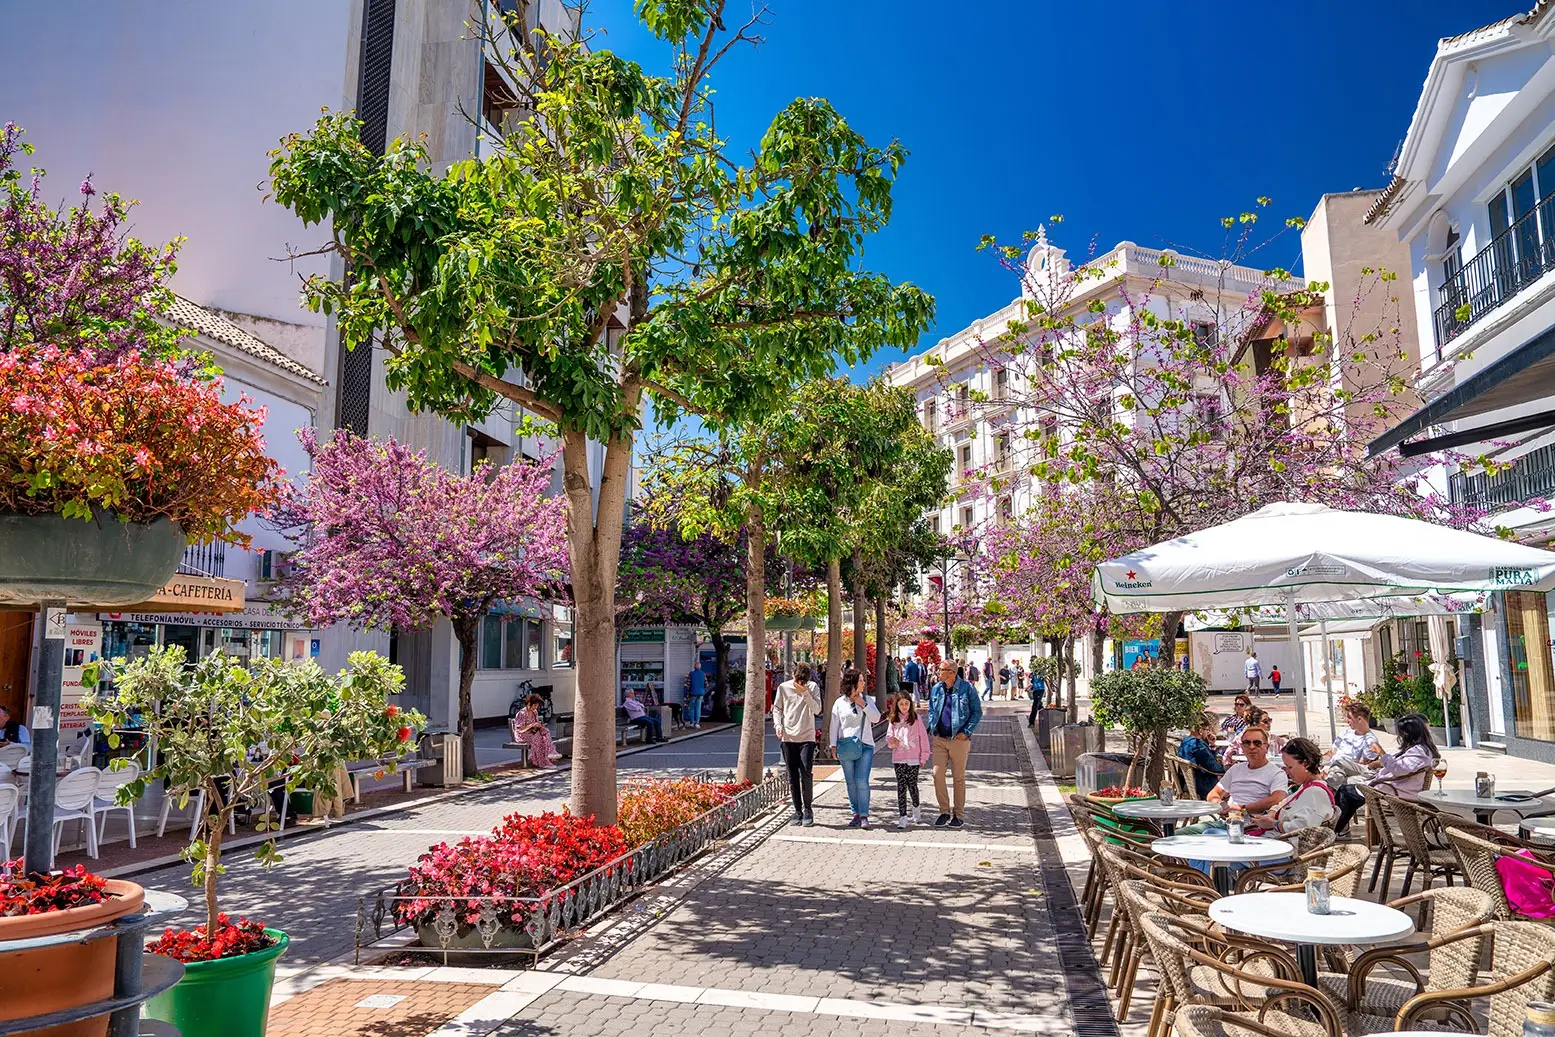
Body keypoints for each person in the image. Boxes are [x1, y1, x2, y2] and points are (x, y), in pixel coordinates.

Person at [1333, 713, 1440, 835]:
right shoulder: (1419, 749)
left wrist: (1380, 752)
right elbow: (1398, 765)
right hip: (1392, 787)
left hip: (1395, 792)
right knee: (1346, 789)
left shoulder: (1419, 751)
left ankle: (1334, 830)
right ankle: (1337, 830)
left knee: (1346, 792)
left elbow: (1399, 768)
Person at [1177, 725, 1288, 835]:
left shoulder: (1276, 773)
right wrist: (1221, 805)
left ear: (1266, 747)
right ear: (1242, 747)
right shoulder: (1236, 769)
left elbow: (1278, 799)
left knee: (1209, 834)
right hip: (1227, 822)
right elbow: (1213, 794)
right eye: (1247, 743)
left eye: (1257, 743)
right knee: (1177, 836)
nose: (1252, 747)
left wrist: (1242, 809)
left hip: (1251, 827)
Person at [928, 661, 983, 829]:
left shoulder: (967, 688)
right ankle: (944, 811)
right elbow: (931, 709)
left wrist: (966, 731)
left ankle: (958, 815)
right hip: (940, 739)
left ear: (951, 673)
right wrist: (932, 725)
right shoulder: (937, 688)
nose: (938, 672)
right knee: (937, 774)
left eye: (941, 670)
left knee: (958, 778)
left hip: (959, 740)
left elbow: (977, 712)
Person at [1249, 738, 1335, 835]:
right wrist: (1271, 814)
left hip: (1287, 844)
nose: (1287, 772)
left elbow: (1303, 829)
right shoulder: (1307, 787)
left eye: (1290, 767)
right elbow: (1285, 803)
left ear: (1305, 764)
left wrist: (1274, 824)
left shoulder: (1315, 793)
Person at [773, 662, 823, 826]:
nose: (800, 683)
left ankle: (808, 809)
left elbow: (817, 710)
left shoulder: (812, 687)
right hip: (788, 737)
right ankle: (797, 810)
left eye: (804, 680)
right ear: (793, 675)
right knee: (792, 775)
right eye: (798, 679)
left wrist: (806, 693)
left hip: (807, 737)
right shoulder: (784, 687)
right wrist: (778, 725)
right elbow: (777, 708)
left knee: (806, 774)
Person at [830, 671, 881, 828]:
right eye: (861, 680)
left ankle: (864, 815)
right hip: (846, 746)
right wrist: (833, 745)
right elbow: (834, 725)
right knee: (850, 782)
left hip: (865, 745)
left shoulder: (867, 700)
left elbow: (876, 718)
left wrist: (863, 705)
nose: (864, 683)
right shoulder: (839, 703)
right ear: (852, 683)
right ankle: (856, 814)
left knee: (861, 781)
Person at [884, 692, 932, 828]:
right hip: (898, 758)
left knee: (912, 785)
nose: (904, 706)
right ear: (897, 705)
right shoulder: (893, 719)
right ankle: (902, 816)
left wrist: (924, 756)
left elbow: (923, 738)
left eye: (906, 703)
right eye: (901, 704)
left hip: (914, 759)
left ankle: (916, 808)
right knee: (901, 786)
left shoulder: (916, 718)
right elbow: (889, 737)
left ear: (910, 704)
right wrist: (892, 741)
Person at [1324, 702, 1383, 786]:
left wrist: (1330, 771)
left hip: (1344, 771)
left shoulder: (1369, 740)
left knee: (1339, 765)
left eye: (1349, 718)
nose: (1346, 720)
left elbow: (1361, 767)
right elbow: (1332, 752)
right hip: (1332, 769)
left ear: (1359, 719)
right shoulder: (1345, 732)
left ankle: (1329, 790)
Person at [1176, 713, 1225, 799]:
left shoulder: (1186, 741)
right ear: (1200, 731)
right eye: (1207, 729)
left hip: (1188, 783)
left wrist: (1211, 744)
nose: (1208, 732)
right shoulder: (1198, 746)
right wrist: (1227, 768)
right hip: (1203, 785)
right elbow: (1213, 767)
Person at [509, 694, 561, 767]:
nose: (536, 707)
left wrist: (539, 726)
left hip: (532, 733)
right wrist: (532, 725)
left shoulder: (534, 712)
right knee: (539, 738)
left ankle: (549, 753)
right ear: (529, 703)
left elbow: (536, 724)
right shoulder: (522, 713)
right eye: (534, 705)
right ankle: (542, 762)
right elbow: (520, 729)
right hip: (522, 735)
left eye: (537, 706)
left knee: (546, 732)